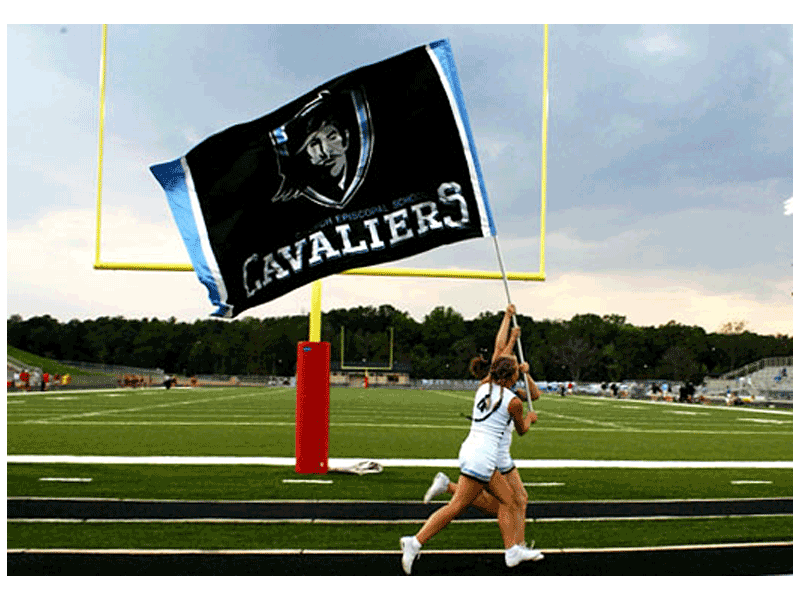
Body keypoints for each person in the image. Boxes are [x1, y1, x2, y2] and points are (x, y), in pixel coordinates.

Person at [400, 349, 541, 572]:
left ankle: (512, 550)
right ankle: (415, 542)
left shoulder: (483, 387)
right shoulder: (514, 402)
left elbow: (498, 363)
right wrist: (529, 419)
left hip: (470, 450)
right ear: (509, 378)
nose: (517, 378)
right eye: (515, 374)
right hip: (483, 458)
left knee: (508, 500)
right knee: (458, 506)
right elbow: (522, 430)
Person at [424, 305, 541, 531]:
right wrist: (507, 320)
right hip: (497, 455)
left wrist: (527, 373)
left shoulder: (507, 391)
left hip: (492, 452)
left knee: (501, 504)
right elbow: (500, 351)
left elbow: (535, 395)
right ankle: (516, 545)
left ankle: (448, 486)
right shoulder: (494, 390)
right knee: (512, 503)